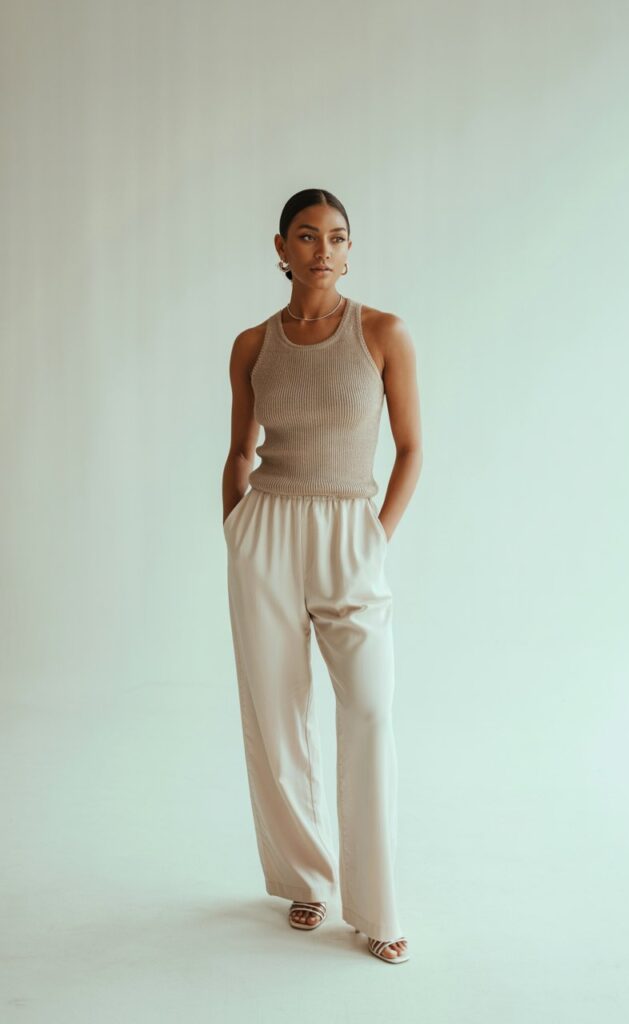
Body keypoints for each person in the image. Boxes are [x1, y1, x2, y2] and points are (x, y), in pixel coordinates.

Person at [222, 188, 422, 964]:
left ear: (349, 247)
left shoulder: (381, 332)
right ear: (281, 247)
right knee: (276, 718)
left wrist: (375, 538)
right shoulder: (251, 343)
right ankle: (306, 879)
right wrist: (237, 529)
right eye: (307, 236)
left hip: (350, 531)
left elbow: (411, 447)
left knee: (369, 711)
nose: (323, 250)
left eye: (337, 236)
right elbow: (241, 449)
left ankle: (377, 908)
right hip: (266, 528)